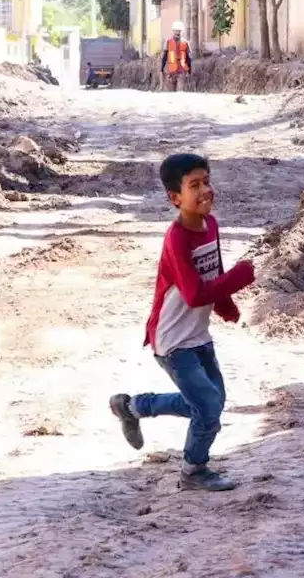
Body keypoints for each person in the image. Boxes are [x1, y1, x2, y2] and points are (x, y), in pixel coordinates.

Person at [108, 153, 255, 492]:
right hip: (172, 340)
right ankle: (193, 470)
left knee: (211, 403)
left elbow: (212, 272)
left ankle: (131, 407)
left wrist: (225, 304)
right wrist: (239, 278)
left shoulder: (211, 225)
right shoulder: (176, 238)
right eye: (194, 185)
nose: (205, 190)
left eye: (206, 181)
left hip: (198, 335)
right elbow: (192, 293)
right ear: (175, 198)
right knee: (206, 408)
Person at [160, 21, 192, 92]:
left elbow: (188, 58)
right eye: (176, 31)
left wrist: (189, 71)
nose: (178, 33)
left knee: (180, 91)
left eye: (179, 31)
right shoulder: (168, 42)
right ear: (173, 31)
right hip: (171, 71)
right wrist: (162, 69)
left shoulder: (186, 43)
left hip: (182, 70)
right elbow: (165, 56)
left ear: (182, 32)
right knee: (171, 93)